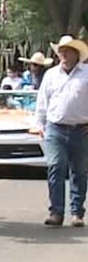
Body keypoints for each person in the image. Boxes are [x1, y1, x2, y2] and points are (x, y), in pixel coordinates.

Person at [34, 35, 88, 228]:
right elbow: (42, 101)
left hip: (81, 130)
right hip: (55, 128)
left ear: (76, 54)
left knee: (79, 171)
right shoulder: (51, 75)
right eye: (61, 51)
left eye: (67, 51)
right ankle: (56, 212)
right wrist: (40, 124)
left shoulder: (86, 73)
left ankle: (77, 212)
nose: (63, 54)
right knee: (56, 166)